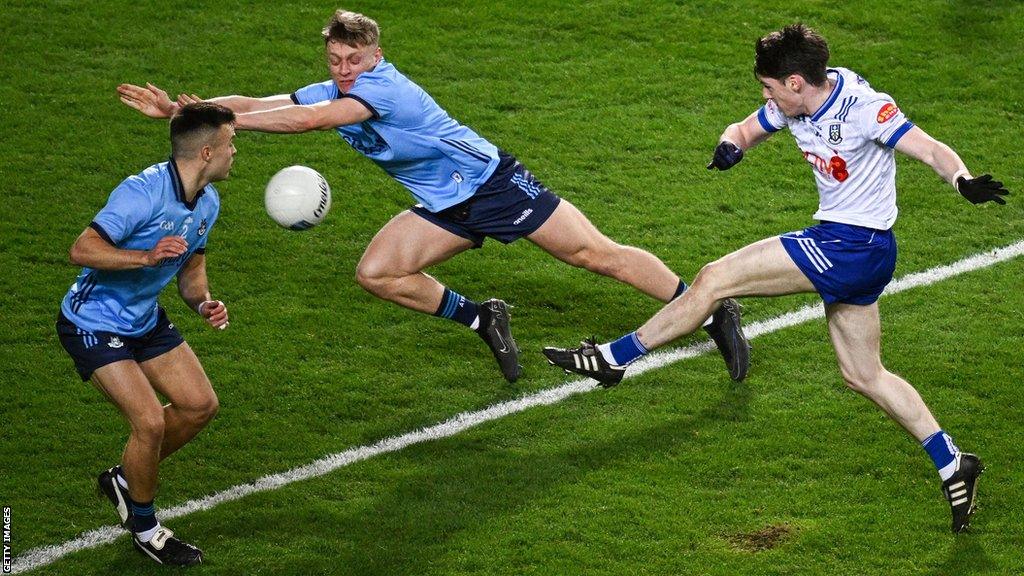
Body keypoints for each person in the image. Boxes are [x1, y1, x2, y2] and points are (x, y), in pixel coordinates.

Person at [114, 9, 750, 384]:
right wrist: (190, 109)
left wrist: (227, 126)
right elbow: (270, 103)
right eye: (335, 58)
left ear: (376, 55)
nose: (342, 68)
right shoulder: (334, 84)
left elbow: (307, 122)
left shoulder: (382, 88)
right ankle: (482, 317)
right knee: (379, 272)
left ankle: (709, 307)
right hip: (444, 204)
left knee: (594, 256)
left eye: (353, 57)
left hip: (492, 185)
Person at [543, 24, 1008, 533]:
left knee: (715, 279)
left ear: (793, 82)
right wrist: (730, 145)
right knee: (864, 375)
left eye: (768, 87)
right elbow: (744, 129)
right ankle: (951, 462)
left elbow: (931, 149)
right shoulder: (798, 103)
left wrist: (961, 179)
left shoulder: (863, 107)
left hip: (851, 246)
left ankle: (612, 359)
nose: (764, 96)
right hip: (858, 250)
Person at [56, 102, 238, 566]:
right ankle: (145, 527)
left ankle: (124, 478)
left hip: (143, 318)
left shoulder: (208, 202)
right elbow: (83, 248)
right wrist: (145, 257)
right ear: (205, 152)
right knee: (150, 423)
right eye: (230, 142)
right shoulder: (142, 192)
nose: (235, 151)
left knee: (200, 406)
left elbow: (191, 273)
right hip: (93, 322)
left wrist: (204, 303)